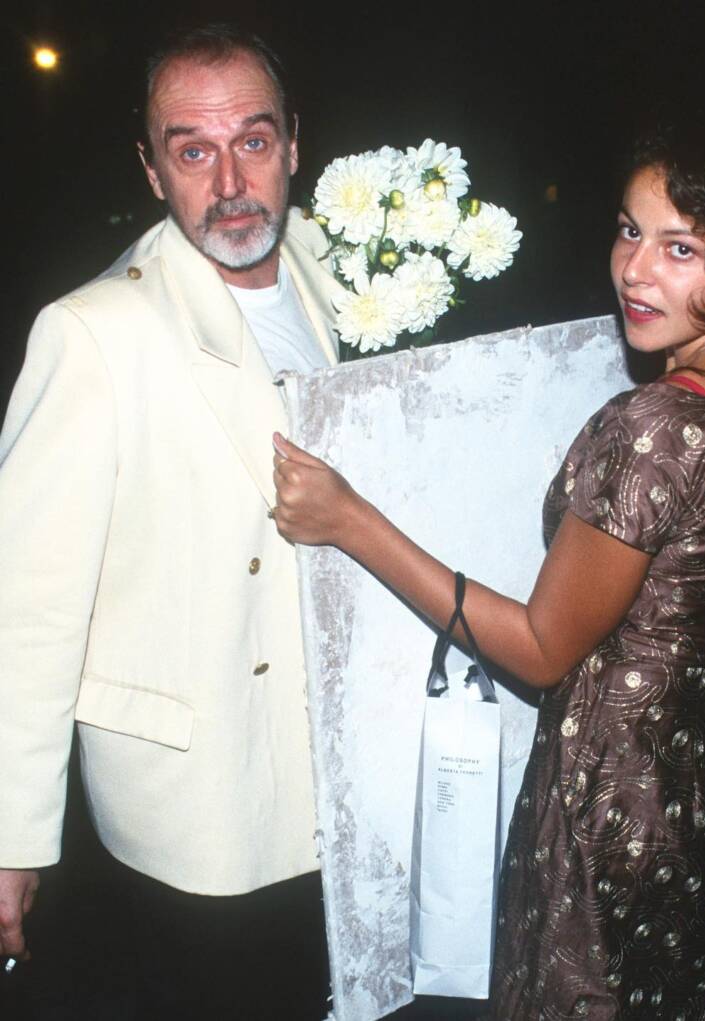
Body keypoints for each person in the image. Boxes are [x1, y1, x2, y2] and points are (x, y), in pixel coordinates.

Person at [272, 112, 705, 1019]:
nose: (635, 269)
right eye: (629, 230)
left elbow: (542, 650)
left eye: (681, 248)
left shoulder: (658, 429)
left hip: (614, 814)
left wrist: (350, 520)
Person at [0, 24, 340, 1019]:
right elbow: (27, 606)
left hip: (343, 775)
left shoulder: (341, 268)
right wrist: (10, 841)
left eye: (253, 142)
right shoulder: (93, 332)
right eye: (193, 151)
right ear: (152, 171)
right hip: (200, 801)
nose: (230, 182)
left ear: (293, 145)